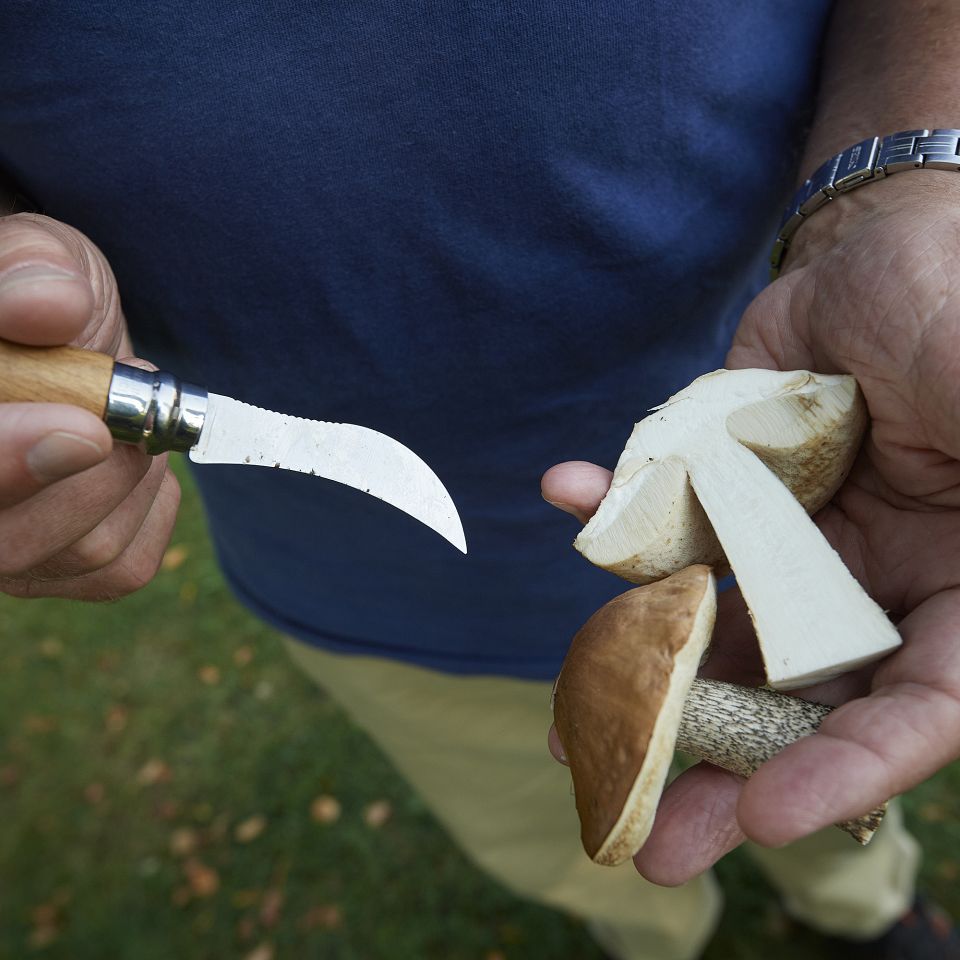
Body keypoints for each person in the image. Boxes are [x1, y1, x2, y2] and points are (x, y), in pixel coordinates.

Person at [1, 1, 958, 957]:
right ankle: (661, 940)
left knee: (834, 768)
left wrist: (898, 190)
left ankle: (866, 909)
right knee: (563, 838)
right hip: (366, 578)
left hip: (788, 434)